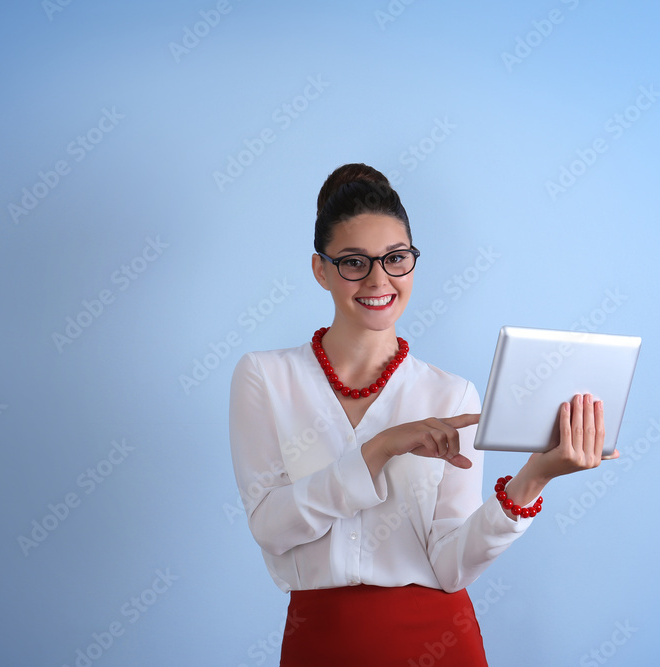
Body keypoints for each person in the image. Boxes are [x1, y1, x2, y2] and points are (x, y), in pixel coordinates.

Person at [228, 163, 618, 666]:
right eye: (353, 262)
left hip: (438, 644)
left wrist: (535, 477)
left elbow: (451, 565)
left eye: (396, 259)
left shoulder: (452, 396)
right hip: (319, 643)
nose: (378, 280)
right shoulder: (265, 377)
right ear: (320, 269)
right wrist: (380, 448)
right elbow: (271, 527)